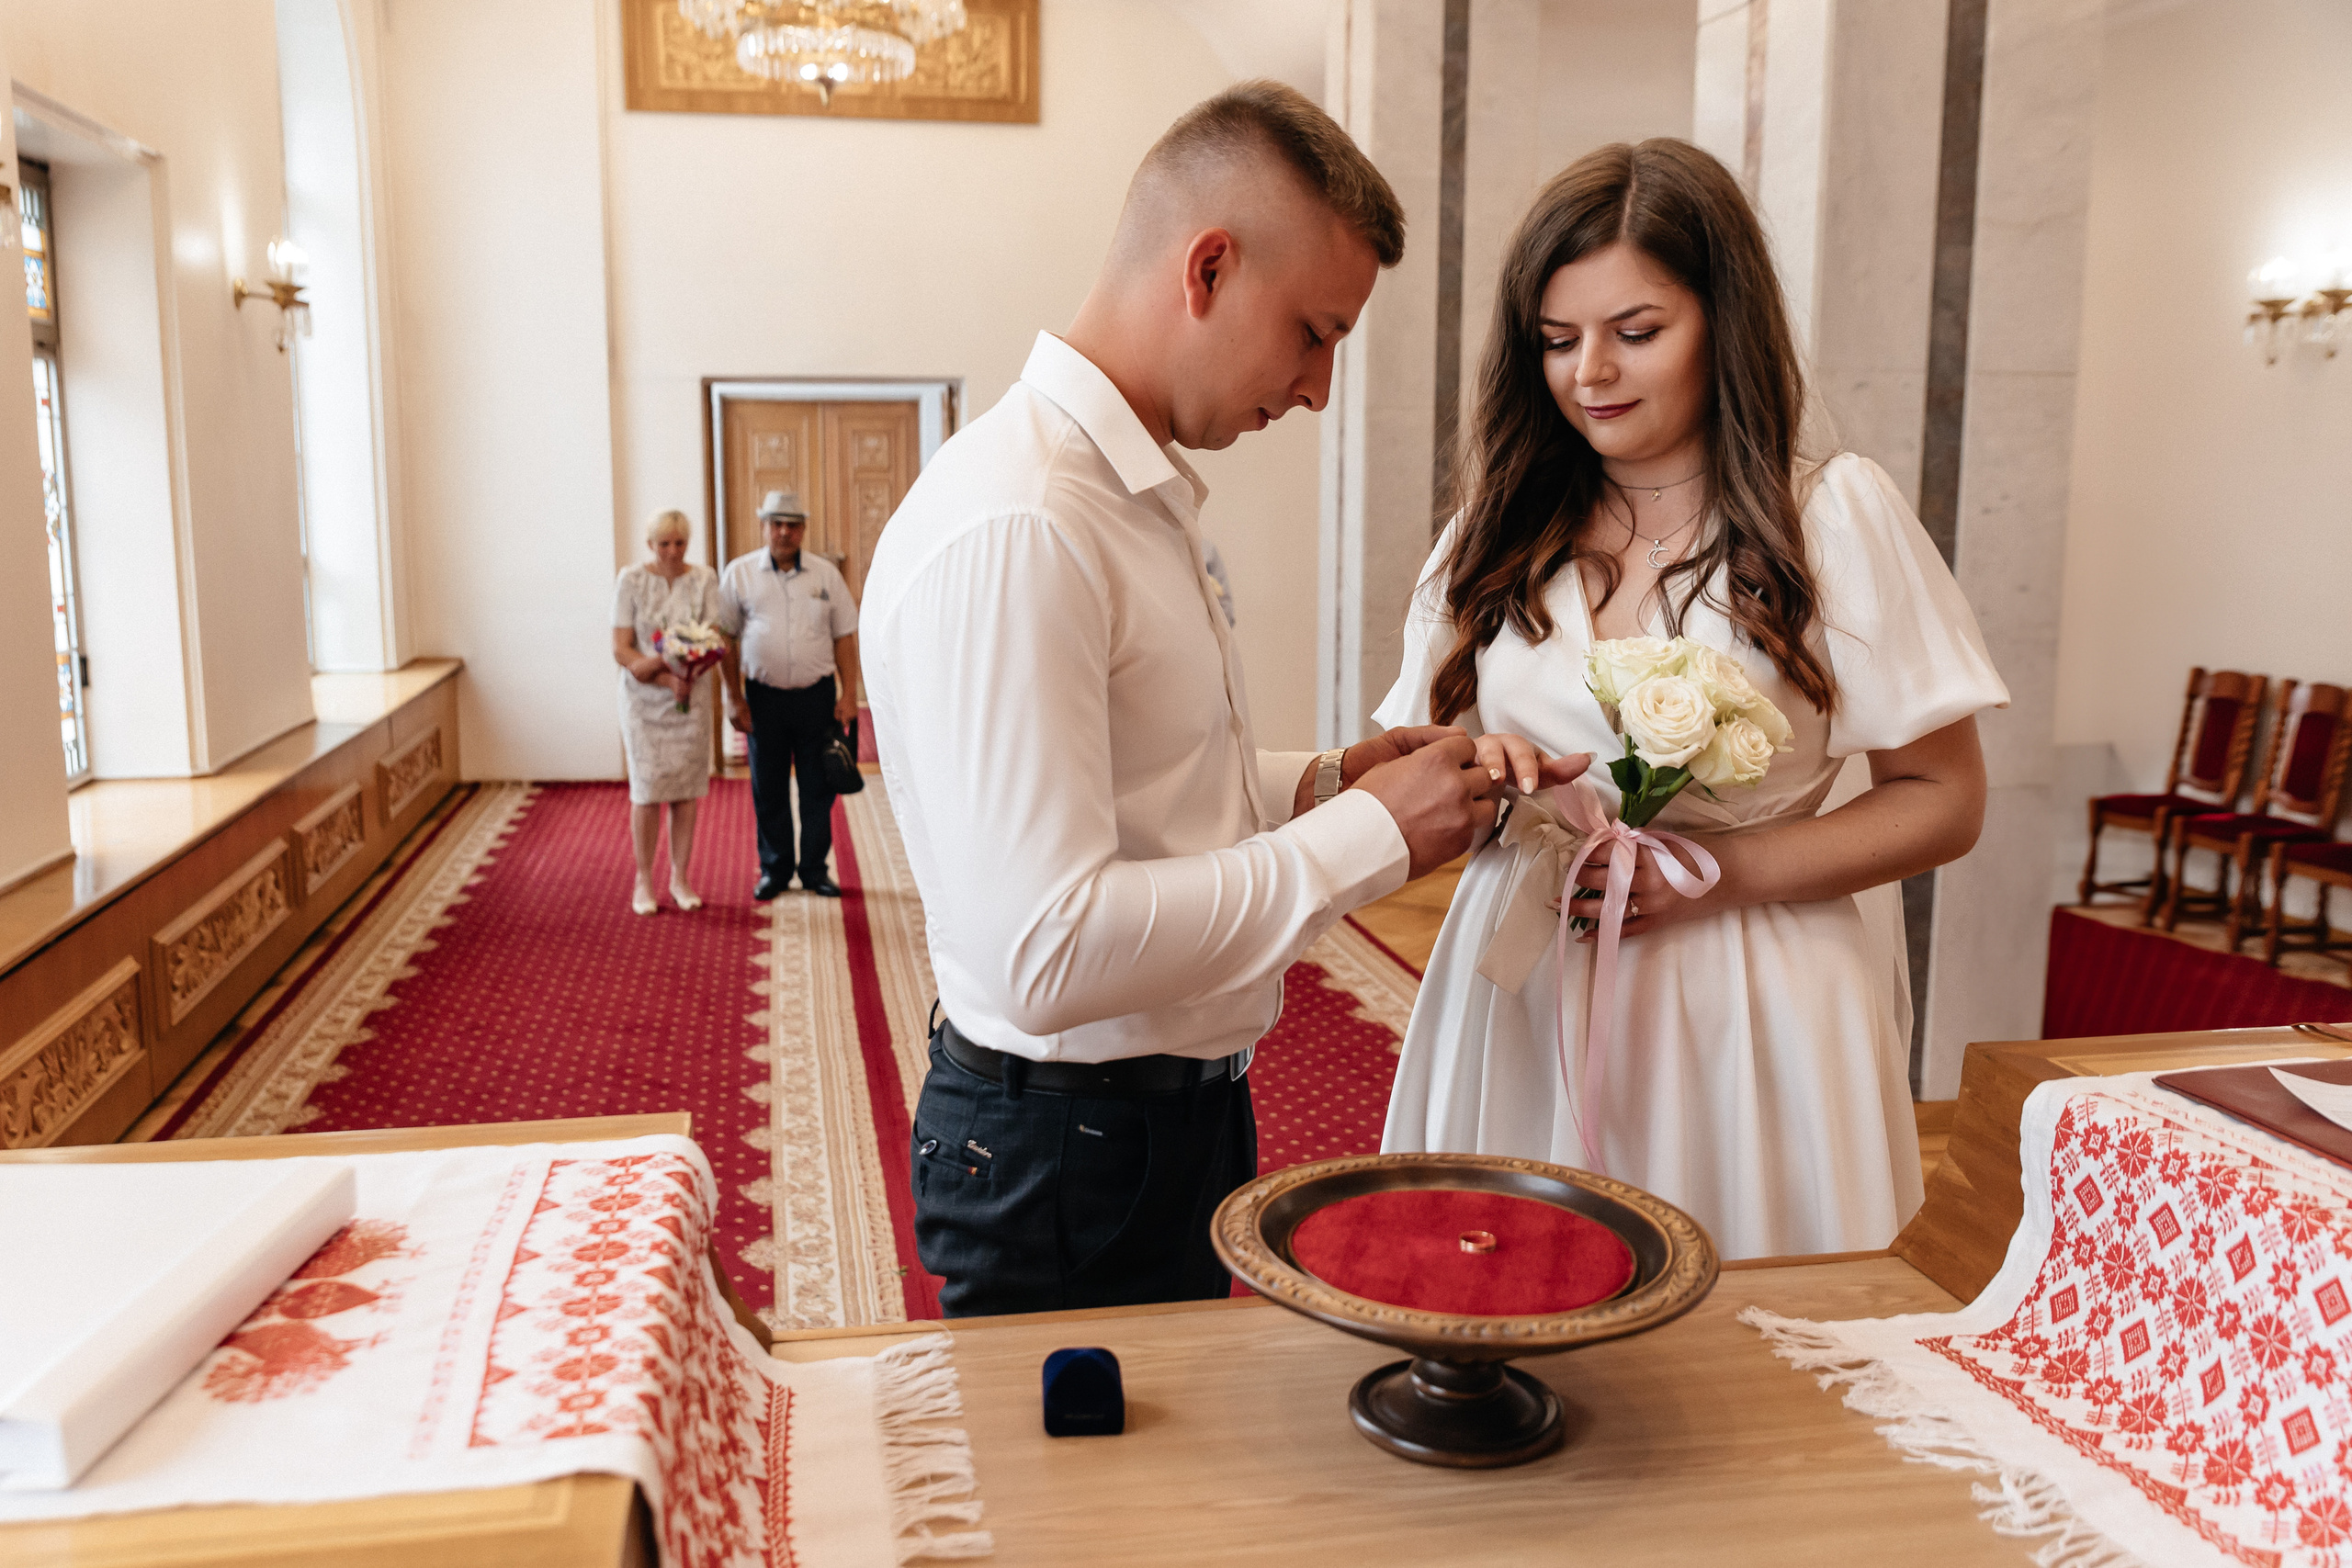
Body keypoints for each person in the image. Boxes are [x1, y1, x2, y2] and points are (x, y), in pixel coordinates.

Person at [861, 82, 1578, 1319]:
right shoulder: (1029, 521)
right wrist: (1370, 839)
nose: (1318, 390)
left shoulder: (1122, 496)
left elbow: (1141, 788)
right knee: (1097, 1512)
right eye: (1313, 331)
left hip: (1146, 1118)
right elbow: (1046, 945)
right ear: (1207, 267)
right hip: (1069, 1146)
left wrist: (1328, 783)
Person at [1375, 139, 2010, 1260]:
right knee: (1514, 1288)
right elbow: (1414, 755)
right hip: (1531, 970)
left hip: (1754, 991)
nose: (1591, 376)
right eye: (1558, 342)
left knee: (1748, 1311)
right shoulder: (1493, 533)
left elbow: (1943, 799)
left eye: (1635, 333)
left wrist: (1717, 878)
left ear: (1724, 320)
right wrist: (1481, 781)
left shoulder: (1831, 518)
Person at [719, 491, 861, 901]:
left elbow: (844, 638)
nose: (785, 532)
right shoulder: (739, 574)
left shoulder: (825, 576)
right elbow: (725, 639)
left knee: (818, 787)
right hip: (763, 698)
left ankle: (815, 869)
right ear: (764, 526)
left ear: (803, 529)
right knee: (769, 786)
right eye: (777, 524)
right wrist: (733, 697)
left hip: (817, 698)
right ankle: (775, 869)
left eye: (794, 525)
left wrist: (849, 693)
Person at [610, 508, 726, 915]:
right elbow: (622, 649)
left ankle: (681, 876)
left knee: (685, 789)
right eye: (664, 545)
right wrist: (662, 672)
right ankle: (644, 879)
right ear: (650, 545)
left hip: (690, 696)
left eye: (679, 544)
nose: (673, 552)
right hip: (644, 702)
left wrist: (686, 671)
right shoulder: (632, 580)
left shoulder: (705, 578)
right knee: (646, 790)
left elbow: (711, 638)